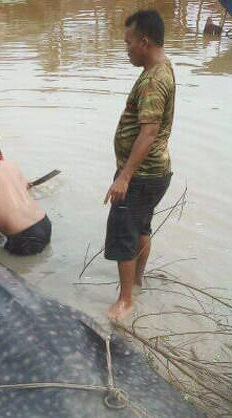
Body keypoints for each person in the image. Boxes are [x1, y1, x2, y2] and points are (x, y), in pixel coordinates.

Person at [103, 9, 175, 322]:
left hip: (141, 175)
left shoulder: (153, 81)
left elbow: (148, 132)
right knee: (141, 228)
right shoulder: (162, 67)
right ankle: (136, 282)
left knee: (123, 233)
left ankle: (125, 302)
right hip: (155, 173)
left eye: (128, 43)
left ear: (144, 41)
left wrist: (124, 177)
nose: (127, 49)